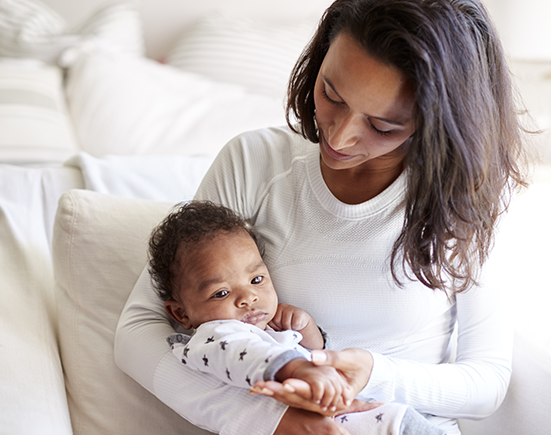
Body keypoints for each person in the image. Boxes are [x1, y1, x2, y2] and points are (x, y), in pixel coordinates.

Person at [115, 0, 528, 434]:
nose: (341, 135)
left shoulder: (469, 196)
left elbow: (487, 382)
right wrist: (273, 422)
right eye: (332, 93)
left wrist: (373, 373)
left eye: (383, 125)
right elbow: (138, 332)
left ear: (436, 121)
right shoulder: (255, 162)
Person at [147, 200, 446, 435]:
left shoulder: (267, 331)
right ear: (181, 313)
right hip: (347, 422)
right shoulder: (213, 337)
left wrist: (306, 329)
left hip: (348, 416)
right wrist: (297, 367)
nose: (247, 298)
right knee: (401, 422)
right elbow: (244, 355)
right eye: (221, 293)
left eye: (256, 280)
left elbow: (320, 354)